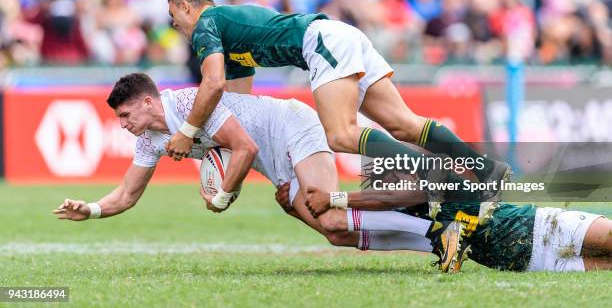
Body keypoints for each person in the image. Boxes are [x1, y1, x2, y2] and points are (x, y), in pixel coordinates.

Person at [165, 0, 511, 222]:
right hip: (340, 35)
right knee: (403, 125)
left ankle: (440, 177)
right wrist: (230, 165)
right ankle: (488, 170)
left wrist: (187, 131)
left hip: (321, 43)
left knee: (341, 134)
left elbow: (211, 84)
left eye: (174, 18)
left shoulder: (207, 22)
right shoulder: (228, 38)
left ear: (185, 7)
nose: (176, 26)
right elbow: (239, 110)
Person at [53, 73, 466, 272]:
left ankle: (441, 219)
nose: (123, 125)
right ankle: (437, 241)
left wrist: (222, 196)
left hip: (291, 125)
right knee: (336, 233)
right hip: (275, 159)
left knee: (334, 214)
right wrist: (88, 209)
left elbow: (244, 147)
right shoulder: (150, 139)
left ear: (147, 101)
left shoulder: (186, 105)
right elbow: (126, 194)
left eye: (126, 115)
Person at [297, 184, 612, 272]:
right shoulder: (425, 233)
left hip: (545, 226)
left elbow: (391, 195)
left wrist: (334, 197)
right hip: (535, 264)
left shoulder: (438, 185)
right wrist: (299, 208)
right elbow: (339, 233)